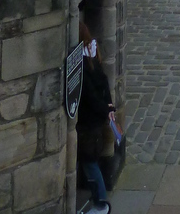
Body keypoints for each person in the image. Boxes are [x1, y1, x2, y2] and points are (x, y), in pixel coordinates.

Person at [77, 21, 113, 214]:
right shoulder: (94, 53)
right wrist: (109, 106)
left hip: (89, 124)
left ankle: (101, 204)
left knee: (90, 164)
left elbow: (89, 95)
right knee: (91, 163)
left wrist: (105, 109)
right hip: (96, 123)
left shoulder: (83, 65)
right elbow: (104, 83)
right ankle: (98, 200)